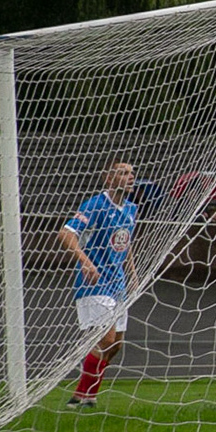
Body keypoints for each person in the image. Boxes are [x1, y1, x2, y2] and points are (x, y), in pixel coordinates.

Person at [60, 160, 140, 408]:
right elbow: (66, 234)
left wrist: (132, 273)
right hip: (94, 283)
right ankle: (78, 398)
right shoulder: (95, 205)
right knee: (106, 339)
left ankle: (87, 396)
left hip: (118, 283)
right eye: (123, 173)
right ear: (108, 178)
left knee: (116, 345)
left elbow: (125, 243)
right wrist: (85, 262)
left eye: (132, 173)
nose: (130, 177)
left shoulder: (131, 208)